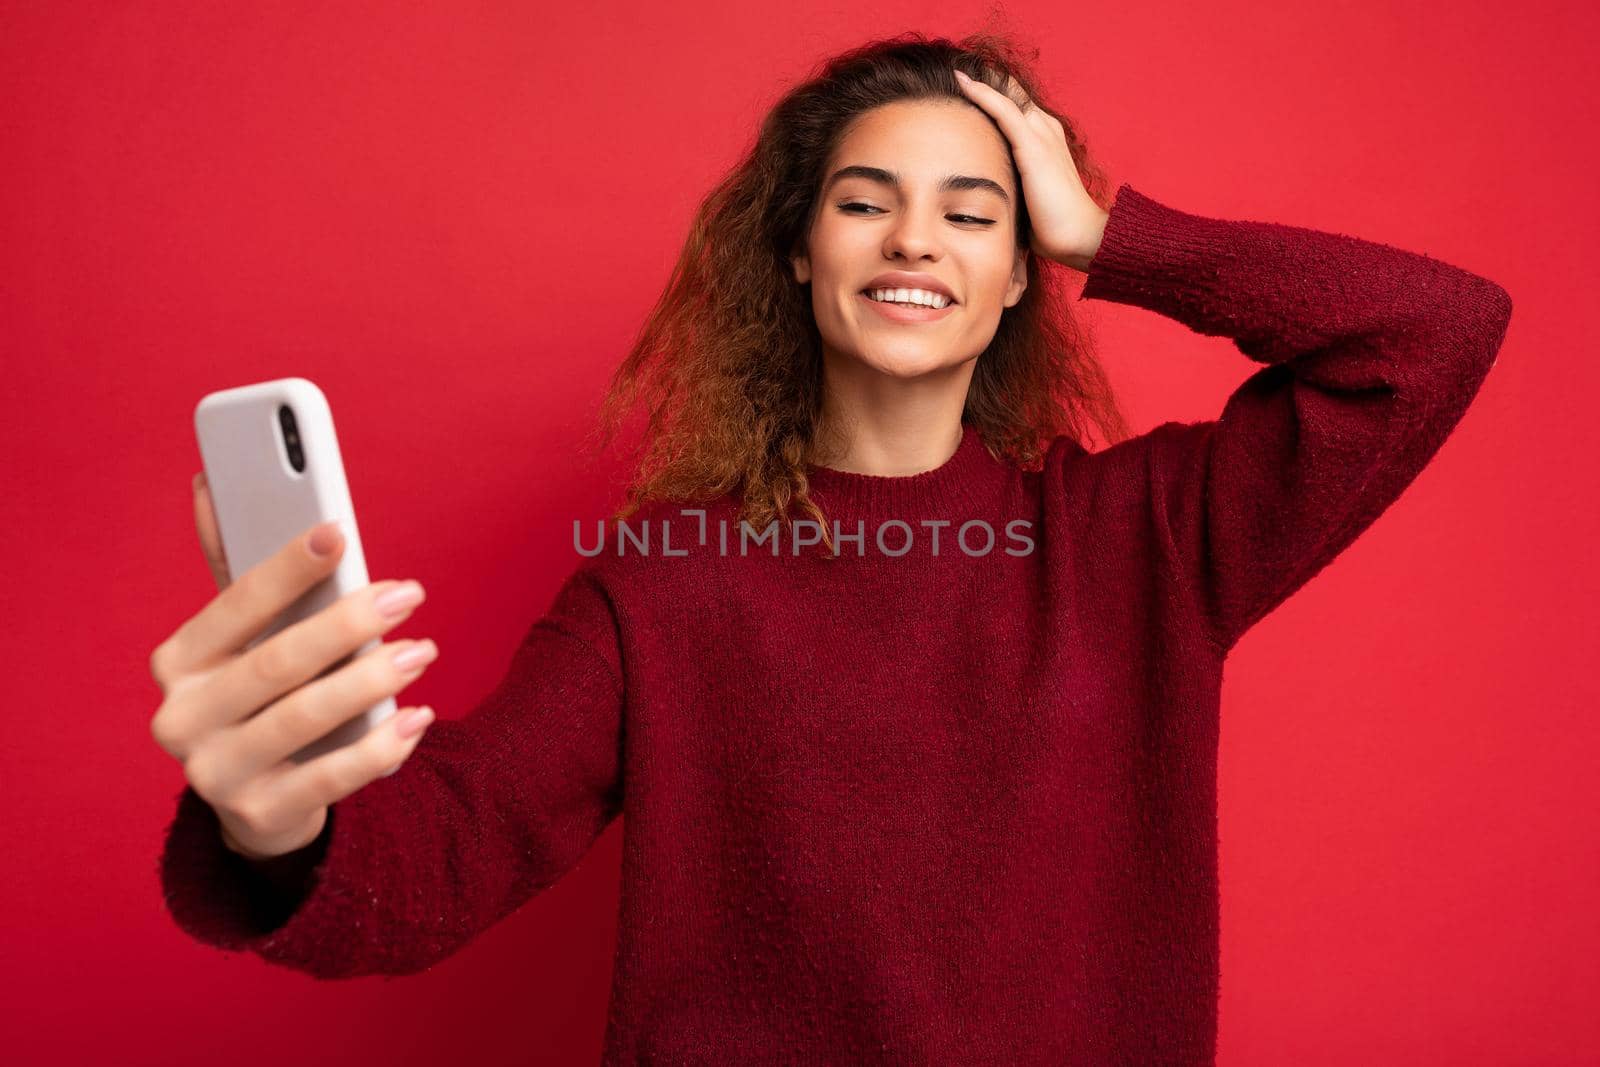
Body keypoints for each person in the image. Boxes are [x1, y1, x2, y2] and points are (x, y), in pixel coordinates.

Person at [150, 32, 1512, 1065]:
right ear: (798, 250)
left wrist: (1114, 231)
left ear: (1025, 265)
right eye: (866, 200)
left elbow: (1428, 337)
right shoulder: (665, 583)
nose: (917, 235)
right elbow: (440, 859)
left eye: (977, 211)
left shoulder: (1145, 539)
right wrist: (278, 819)